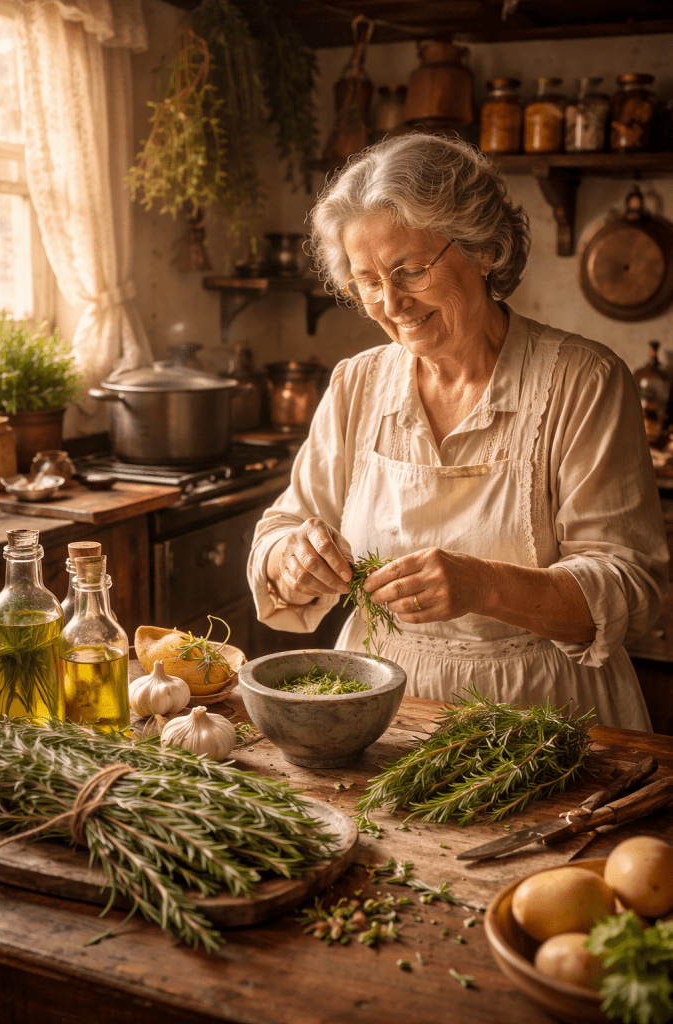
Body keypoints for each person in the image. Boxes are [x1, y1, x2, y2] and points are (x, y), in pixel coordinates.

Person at [247, 133, 668, 730]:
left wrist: (485, 586)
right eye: (368, 281)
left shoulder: (583, 381)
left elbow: (630, 584)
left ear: (484, 249)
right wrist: (291, 559)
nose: (390, 303)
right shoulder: (356, 385)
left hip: (546, 719)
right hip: (377, 709)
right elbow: (284, 528)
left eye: (409, 270)